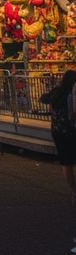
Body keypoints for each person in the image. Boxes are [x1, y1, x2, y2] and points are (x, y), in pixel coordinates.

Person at [41, 69, 76, 202]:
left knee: (66, 163)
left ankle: (74, 191)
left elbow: (50, 108)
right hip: (71, 130)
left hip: (58, 130)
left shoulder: (56, 92)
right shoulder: (71, 93)